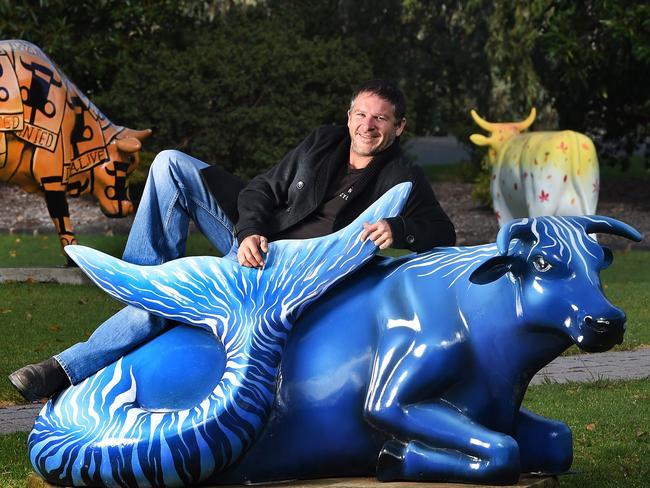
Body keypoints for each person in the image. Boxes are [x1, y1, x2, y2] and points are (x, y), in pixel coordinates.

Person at [8, 79, 456, 402]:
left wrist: (400, 230)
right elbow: (262, 189)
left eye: (381, 118)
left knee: (167, 296)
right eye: (361, 114)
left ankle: (64, 368)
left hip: (293, 276)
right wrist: (248, 231)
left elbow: (443, 233)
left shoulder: (403, 176)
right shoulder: (325, 141)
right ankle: (142, 281)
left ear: (399, 128)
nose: (367, 125)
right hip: (258, 244)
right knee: (168, 163)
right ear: (348, 116)